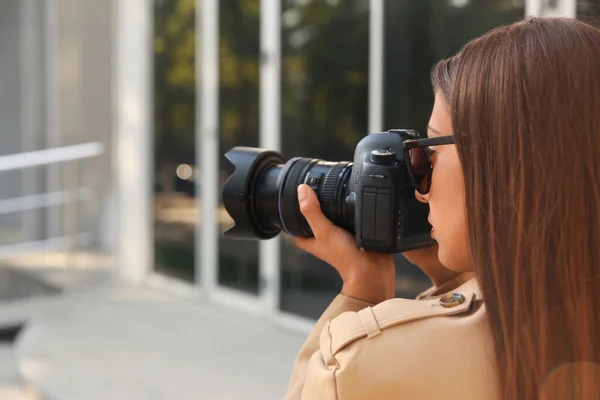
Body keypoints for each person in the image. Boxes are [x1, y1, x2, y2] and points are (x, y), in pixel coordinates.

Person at [284, 16, 600, 400]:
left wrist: (363, 290)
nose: (420, 191)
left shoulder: (368, 364)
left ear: (499, 168)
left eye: (428, 155)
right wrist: (451, 279)